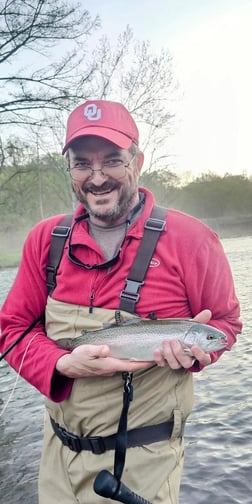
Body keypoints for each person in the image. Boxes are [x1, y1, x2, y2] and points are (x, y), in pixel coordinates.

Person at [0, 100, 241, 504]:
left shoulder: (192, 239)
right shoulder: (46, 239)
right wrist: (60, 361)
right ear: (70, 169)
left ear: (137, 161)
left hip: (142, 464)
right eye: (82, 164)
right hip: (56, 459)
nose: (97, 178)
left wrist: (198, 353)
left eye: (112, 160)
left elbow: (226, 325)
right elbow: (11, 330)